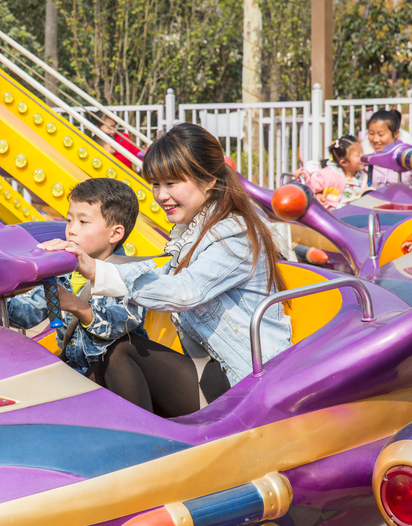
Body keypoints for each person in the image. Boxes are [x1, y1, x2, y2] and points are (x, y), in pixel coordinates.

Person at [40, 123, 293, 417]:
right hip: (209, 370)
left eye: (171, 183)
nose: (161, 195)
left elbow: (183, 292)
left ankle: (140, 442)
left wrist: (95, 269)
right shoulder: (191, 233)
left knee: (119, 350)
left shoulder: (234, 235)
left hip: (247, 379)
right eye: (156, 184)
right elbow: (156, 281)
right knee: (96, 365)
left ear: (208, 180)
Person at [0, 178, 147, 375]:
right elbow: (25, 314)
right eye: (69, 220)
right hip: (75, 370)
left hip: (115, 376)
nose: (71, 230)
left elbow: (120, 324)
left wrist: (76, 306)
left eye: (83, 222)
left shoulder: (128, 274)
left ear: (115, 234)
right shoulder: (63, 271)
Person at [361, 110, 412, 186]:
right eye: (371, 133)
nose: (375, 139)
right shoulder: (363, 154)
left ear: (396, 133)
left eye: (381, 135)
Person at [291, 135, 368, 209]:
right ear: (344, 163)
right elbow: (313, 185)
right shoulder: (329, 175)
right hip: (333, 213)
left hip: (356, 213)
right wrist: (304, 176)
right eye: (358, 155)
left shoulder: (364, 174)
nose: (363, 156)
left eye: (362, 151)